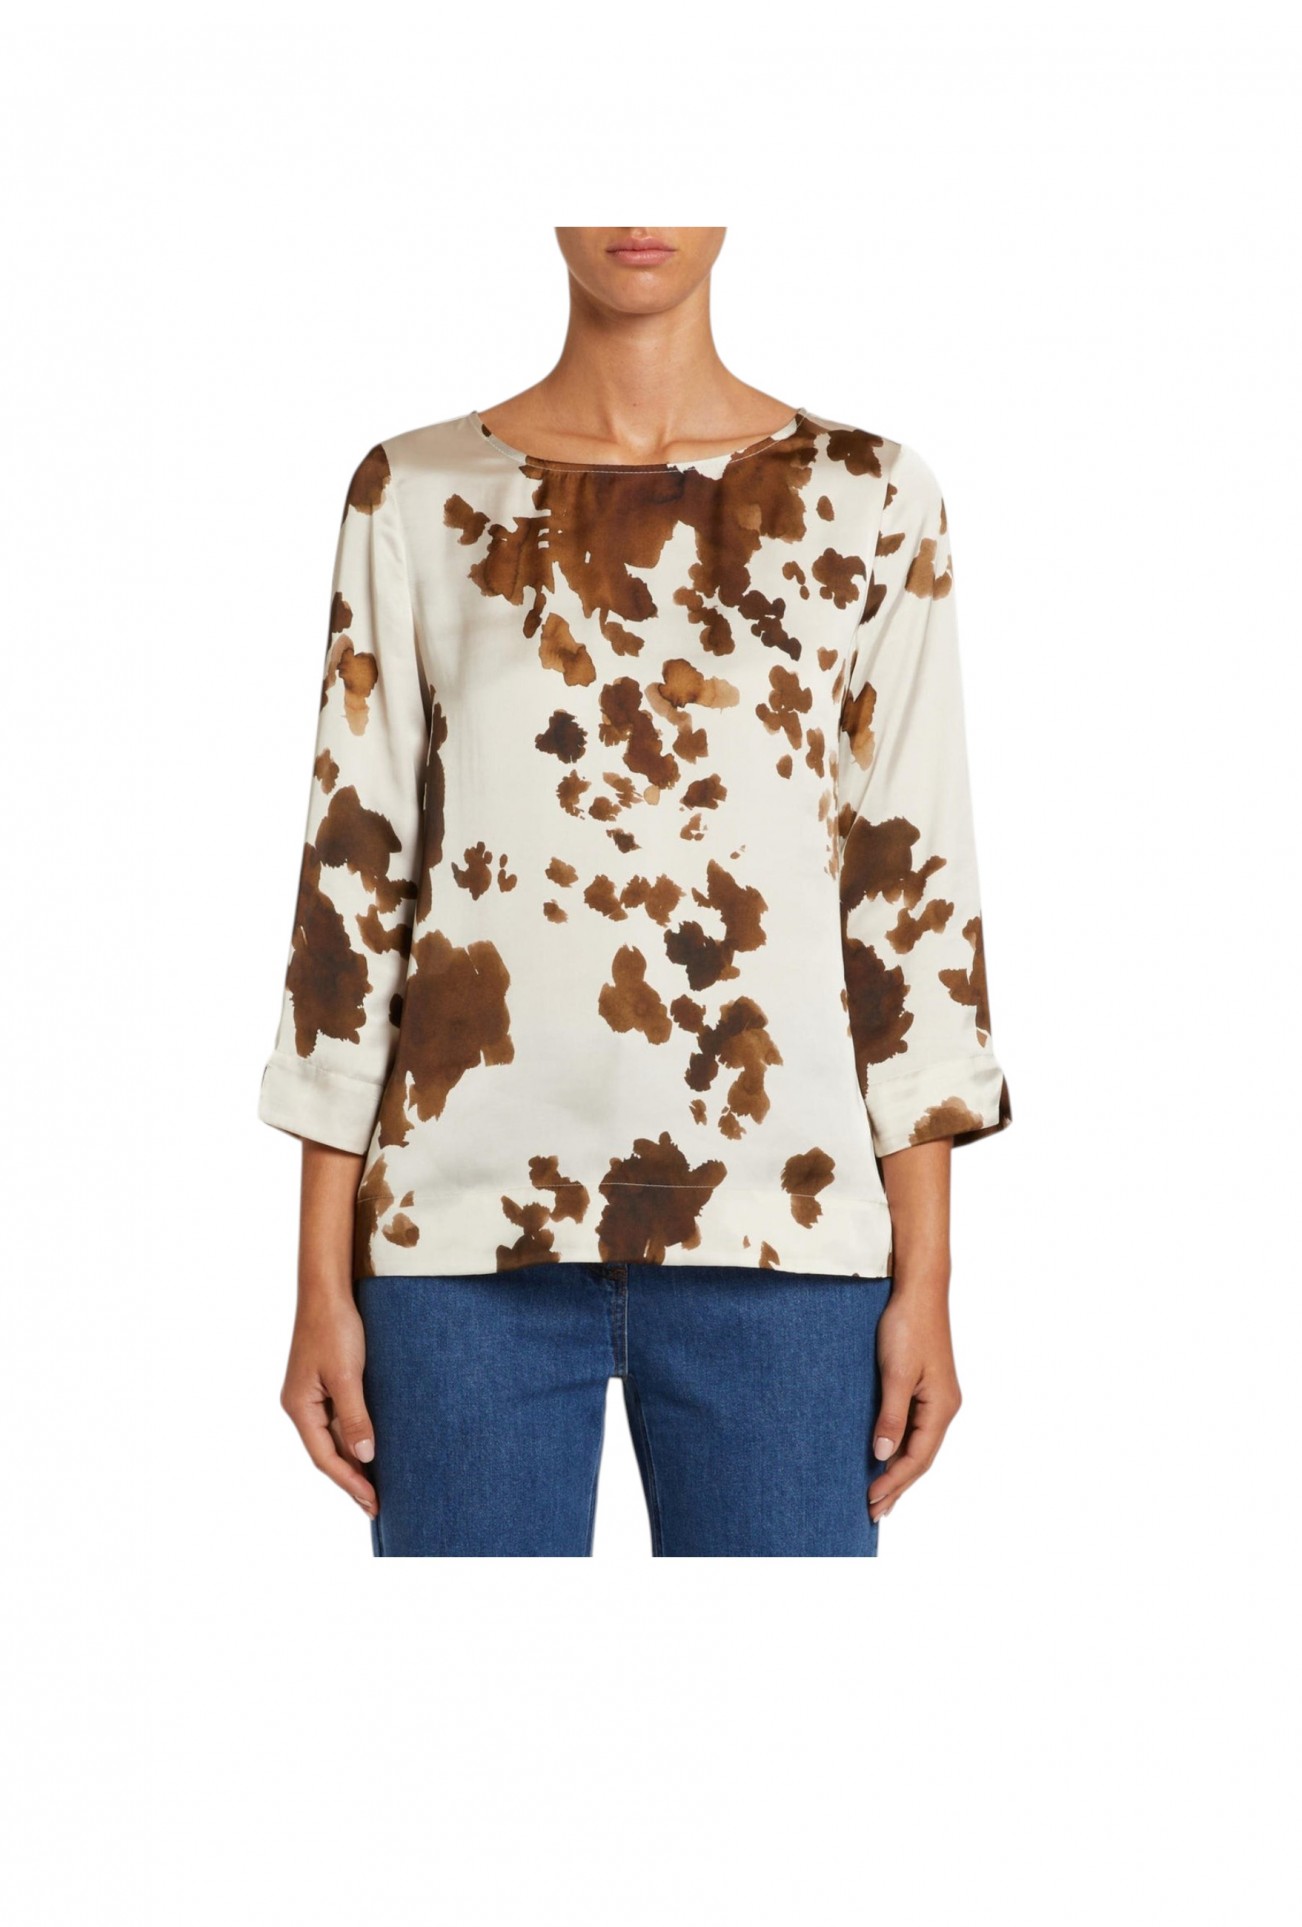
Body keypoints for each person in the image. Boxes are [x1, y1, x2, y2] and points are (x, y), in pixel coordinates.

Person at [257, 226, 1012, 1558]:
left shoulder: (869, 494)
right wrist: (319, 1279)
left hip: (786, 1238)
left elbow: (911, 900)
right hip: (455, 1243)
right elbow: (352, 897)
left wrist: (929, 1276)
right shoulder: (412, 493)